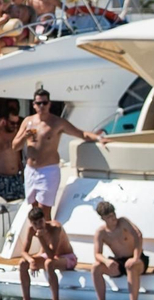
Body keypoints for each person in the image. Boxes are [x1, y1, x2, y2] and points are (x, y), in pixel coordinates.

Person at [12, 88, 107, 216]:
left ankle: (47, 234)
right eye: (38, 103)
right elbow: (15, 146)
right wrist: (25, 135)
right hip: (30, 170)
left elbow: (81, 133)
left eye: (44, 103)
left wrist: (99, 138)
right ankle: (39, 234)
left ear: (49, 104)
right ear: (33, 105)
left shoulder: (57, 123)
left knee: (44, 211)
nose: (42, 106)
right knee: (34, 210)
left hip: (48, 171)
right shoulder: (27, 121)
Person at [8, 205, 78, 300]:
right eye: (35, 223)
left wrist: (40, 237)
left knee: (49, 263)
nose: (38, 226)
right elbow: (24, 252)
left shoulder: (55, 228)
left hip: (67, 258)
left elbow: (51, 255)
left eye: (40, 222)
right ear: (31, 223)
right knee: (23, 263)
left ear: (45, 219)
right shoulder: (31, 229)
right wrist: (31, 261)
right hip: (50, 257)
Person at [89, 200, 148, 300]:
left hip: (137, 258)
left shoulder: (123, 222)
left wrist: (136, 257)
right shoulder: (101, 232)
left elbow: (138, 235)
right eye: (109, 216)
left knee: (130, 265)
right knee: (96, 266)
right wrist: (107, 262)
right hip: (119, 262)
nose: (114, 218)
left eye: (114, 214)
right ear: (103, 218)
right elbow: (97, 254)